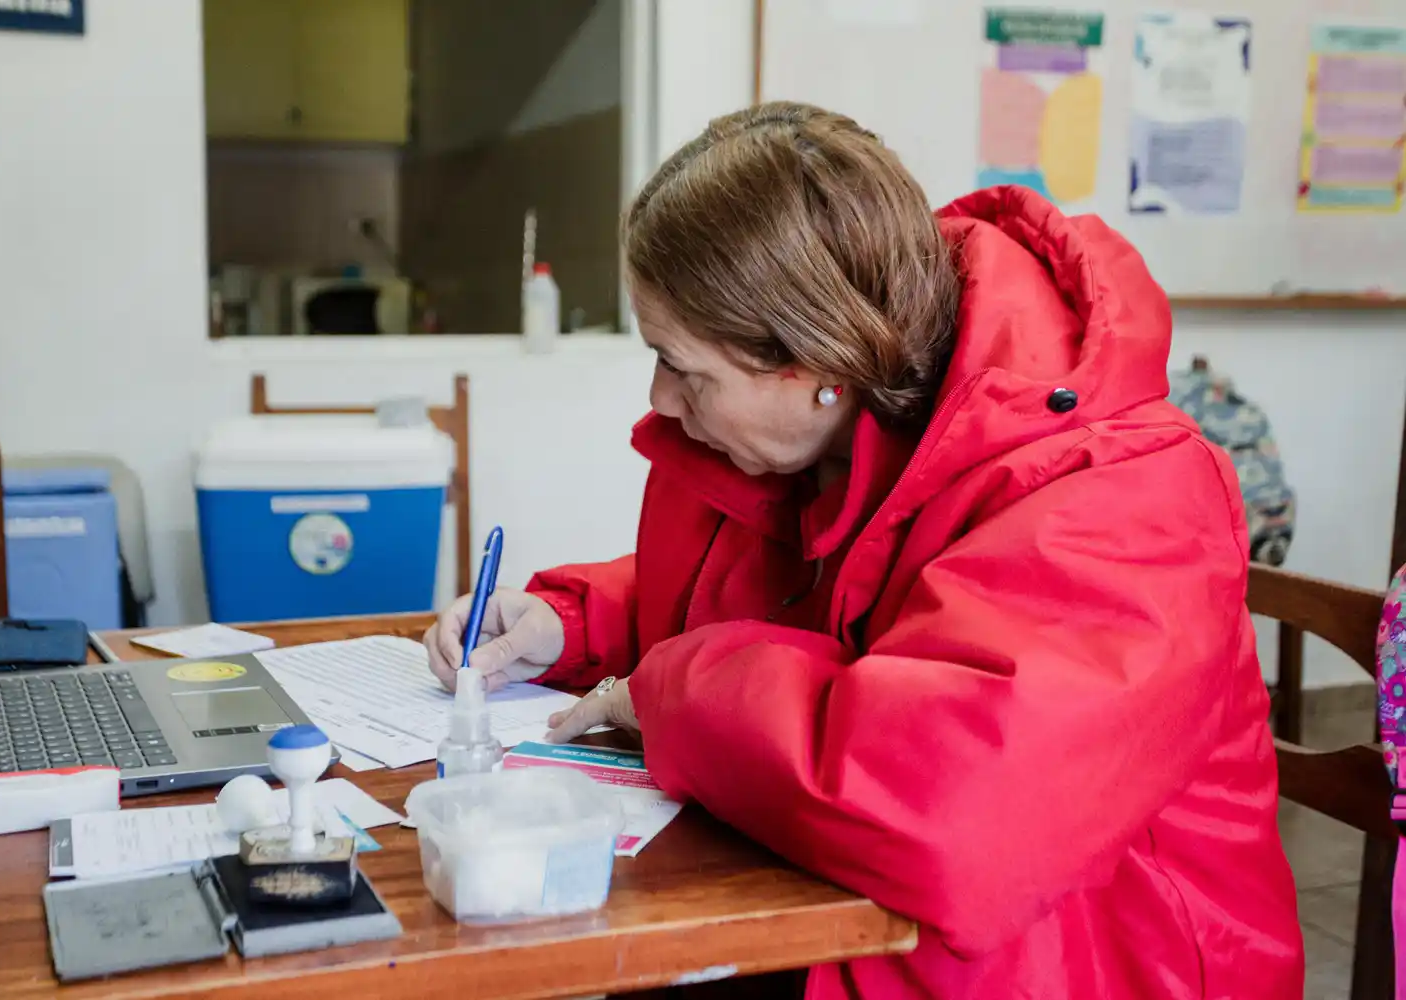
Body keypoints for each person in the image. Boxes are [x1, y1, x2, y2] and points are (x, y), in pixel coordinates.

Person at [424, 103, 1303, 999]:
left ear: (816, 365)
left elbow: (952, 811)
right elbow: (781, 599)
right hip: (853, 924)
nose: (662, 399)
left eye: (683, 366)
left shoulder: (1129, 499)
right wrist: (573, 622)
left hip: (1085, 962)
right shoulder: (841, 429)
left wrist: (667, 694)